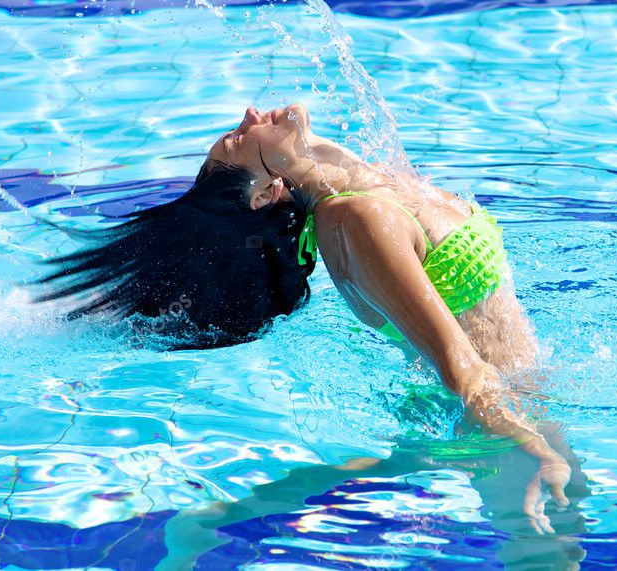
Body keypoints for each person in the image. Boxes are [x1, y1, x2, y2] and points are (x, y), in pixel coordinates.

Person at [38, 102, 571, 533]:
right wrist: (531, 444)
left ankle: (228, 520)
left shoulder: (363, 186)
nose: (250, 114)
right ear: (268, 193)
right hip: (495, 420)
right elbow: (464, 370)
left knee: (552, 537)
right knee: (546, 545)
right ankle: (221, 524)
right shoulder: (356, 220)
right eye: (240, 140)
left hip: (511, 403)